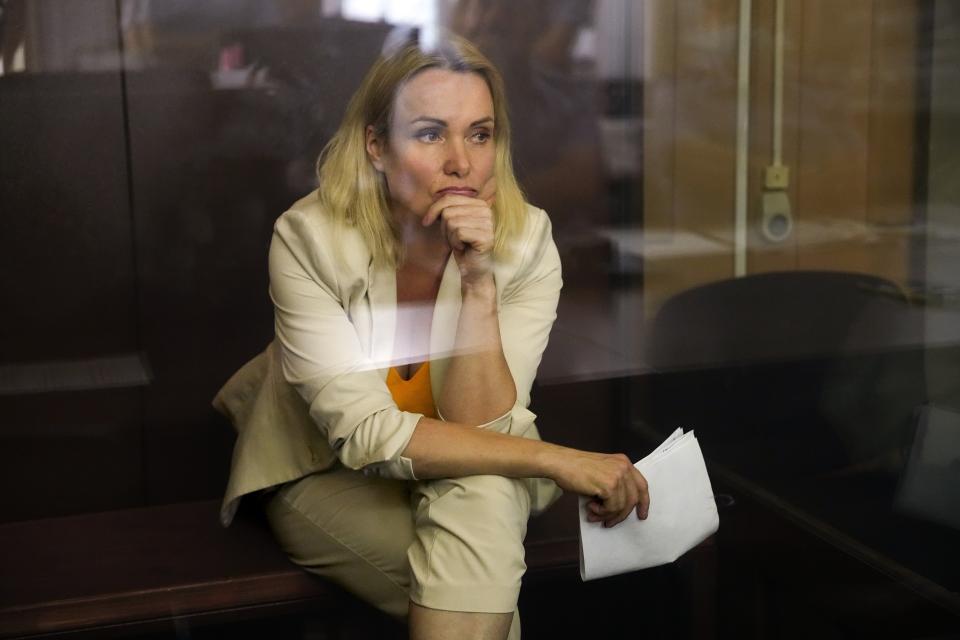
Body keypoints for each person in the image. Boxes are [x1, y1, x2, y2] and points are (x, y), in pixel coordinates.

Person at [213, 32, 649, 640]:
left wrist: (478, 281)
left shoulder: (526, 242)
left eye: (479, 133)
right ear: (376, 146)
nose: (461, 162)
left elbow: (480, 429)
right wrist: (556, 460)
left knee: (482, 505)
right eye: (428, 133)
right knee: (485, 553)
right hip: (329, 470)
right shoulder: (308, 238)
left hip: (475, 469)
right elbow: (365, 435)